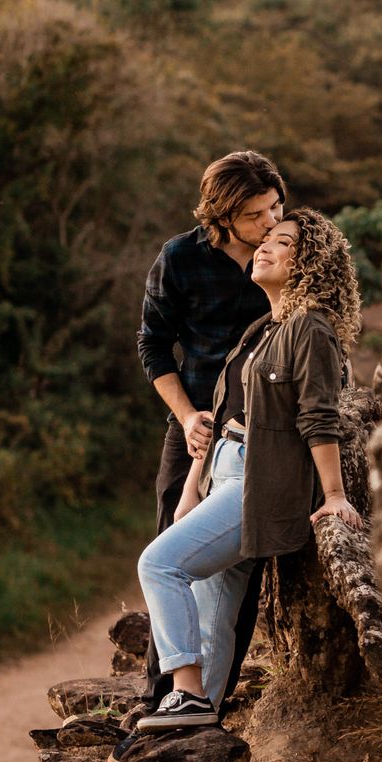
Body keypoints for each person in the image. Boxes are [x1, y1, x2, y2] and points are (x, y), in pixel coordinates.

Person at [134, 208, 364, 731]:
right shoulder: (264, 328)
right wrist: (194, 486)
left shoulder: (311, 330)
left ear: (307, 263)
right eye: (266, 237)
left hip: (259, 486)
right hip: (222, 474)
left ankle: (185, 694)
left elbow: (319, 417)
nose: (265, 244)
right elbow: (223, 417)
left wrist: (333, 494)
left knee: (160, 566)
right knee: (212, 617)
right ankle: (197, 730)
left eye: (282, 241)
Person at [133, 150, 286, 721]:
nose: (269, 224)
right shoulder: (179, 259)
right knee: (169, 557)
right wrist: (189, 415)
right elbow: (153, 345)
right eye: (255, 215)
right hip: (192, 423)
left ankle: (209, 705)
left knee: (235, 570)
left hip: (258, 432)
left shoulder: (282, 260)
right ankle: (160, 696)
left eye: (275, 208)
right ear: (221, 216)